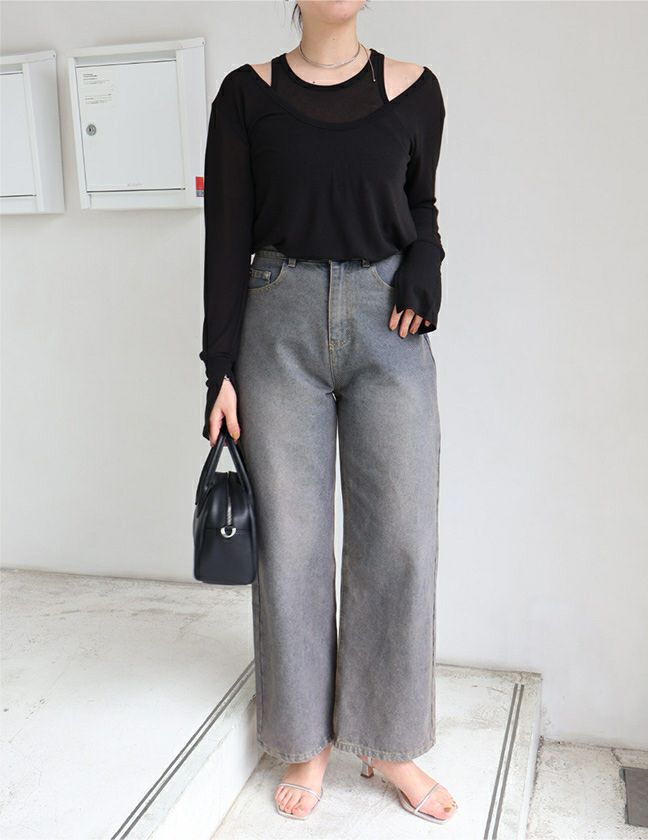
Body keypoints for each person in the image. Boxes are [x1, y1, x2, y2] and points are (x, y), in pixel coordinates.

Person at [199, 0, 457, 824]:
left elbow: (421, 207)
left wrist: (427, 259)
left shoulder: (416, 89)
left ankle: (389, 743)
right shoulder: (246, 95)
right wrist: (218, 368)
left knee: (401, 536)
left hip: (390, 324)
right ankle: (304, 739)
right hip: (278, 325)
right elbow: (225, 236)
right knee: (292, 544)